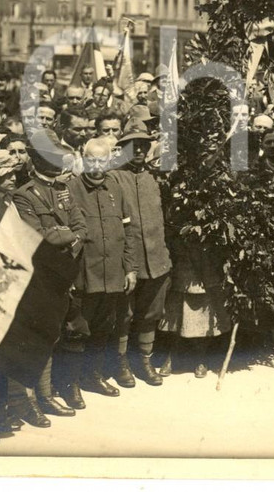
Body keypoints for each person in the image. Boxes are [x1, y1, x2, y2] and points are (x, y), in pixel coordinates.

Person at [13, 129, 86, 417]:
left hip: (67, 270)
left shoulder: (64, 189)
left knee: (71, 329)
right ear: (36, 160)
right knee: (42, 335)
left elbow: (82, 228)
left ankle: (61, 387)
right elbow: (40, 238)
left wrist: (68, 238)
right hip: (43, 276)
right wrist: (67, 236)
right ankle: (37, 398)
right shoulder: (25, 195)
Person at [67, 138, 140, 398]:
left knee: (104, 327)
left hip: (113, 273)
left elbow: (129, 230)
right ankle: (71, 383)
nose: (96, 166)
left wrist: (130, 268)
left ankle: (92, 376)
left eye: (102, 160)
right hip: (85, 274)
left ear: (109, 161)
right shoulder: (71, 188)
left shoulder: (117, 188)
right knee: (78, 329)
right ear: (83, 159)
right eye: (91, 160)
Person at [110, 129, 173, 387]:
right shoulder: (114, 178)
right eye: (132, 146)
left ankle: (145, 360)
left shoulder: (155, 178)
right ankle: (121, 361)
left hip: (157, 258)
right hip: (128, 260)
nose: (138, 151)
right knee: (124, 314)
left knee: (151, 313)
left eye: (143, 146)